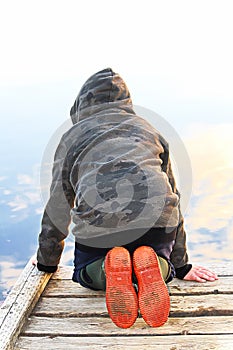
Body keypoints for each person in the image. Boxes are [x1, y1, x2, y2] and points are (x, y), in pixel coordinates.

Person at [36, 68, 218, 329]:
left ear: (81, 104)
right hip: (156, 224)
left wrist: (47, 261)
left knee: (84, 273)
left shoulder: (71, 138)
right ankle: (159, 265)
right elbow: (173, 194)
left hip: (99, 231)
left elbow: (58, 205)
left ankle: (105, 272)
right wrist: (182, 264)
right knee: (161, 261)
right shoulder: (150, 130)